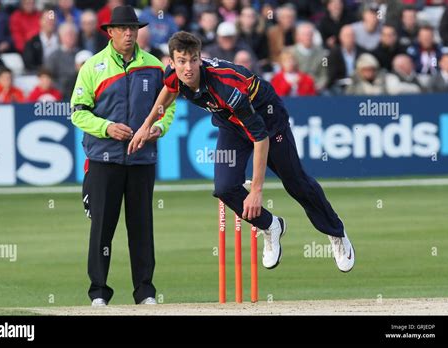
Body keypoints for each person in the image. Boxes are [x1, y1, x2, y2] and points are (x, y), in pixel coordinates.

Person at [128, 31, 355, 273]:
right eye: (182, 61)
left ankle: (336, 231)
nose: (188, 68)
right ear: (171, 62)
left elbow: (259, 137)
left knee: (296, 182)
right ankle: (270, 225)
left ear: (200, 58)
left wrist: (256, 190)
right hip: (230, 124)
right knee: (225, 188)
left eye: (194, 60)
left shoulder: (225, 87)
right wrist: (146, 125)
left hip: (266, 120)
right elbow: (170, 90)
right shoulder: (174, 74)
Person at [70, 5, 176, 307]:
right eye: (123, 29)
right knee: (102, 227)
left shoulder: (155, 66)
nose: (129, 33)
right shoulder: (93, 66)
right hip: (104, 159)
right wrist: (106, 128)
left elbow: (167, 107)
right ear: (110, 32)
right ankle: (99, 292)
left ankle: (145, 291)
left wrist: (158, 129)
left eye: (133, 28)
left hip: (142, 159)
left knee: (142, 226)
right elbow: (78, 112)